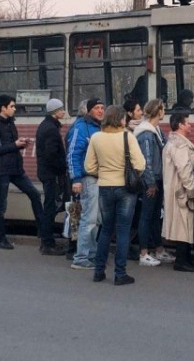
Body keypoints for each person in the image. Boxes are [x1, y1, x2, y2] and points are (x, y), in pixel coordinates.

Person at [85, 105, 146, 285]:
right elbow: (140, 165)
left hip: (104, 187)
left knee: (105, 229)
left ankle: (99, 271)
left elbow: (89, 167)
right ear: (121, 120)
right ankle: (120, 274)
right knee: (123, 230)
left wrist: (103, 174)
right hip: (125, 189)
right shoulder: (128, 137)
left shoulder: (96, 138)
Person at [0, 95, 45, 251]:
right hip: (2, 170)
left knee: (35, 194)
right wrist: (14, 145)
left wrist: (21, 143)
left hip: (16, 168)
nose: (14, 109)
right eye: (11, 106)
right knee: (1, 205)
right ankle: (1, 238)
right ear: (3, 108)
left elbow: (10, 145)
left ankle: (43, 231)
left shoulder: (10, 123)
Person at [162, 112, 194, 272]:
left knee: (184, 224)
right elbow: (184, 169)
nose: (190, 125)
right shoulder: (179, 145)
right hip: (181, 190)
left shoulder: (174, 141)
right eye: (188, 123)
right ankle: (181, 259)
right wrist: (191, 189)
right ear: (180, 125)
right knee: (183, 224)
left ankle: (186, 256)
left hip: (176, 188)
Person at [134, 98, 174, 266]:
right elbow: (146, 161)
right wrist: (151, 183)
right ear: (158, 111)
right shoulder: (148, 134)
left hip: (157, 179)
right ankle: (144, 253)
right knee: (147, 216)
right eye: (163, 109)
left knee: (155, 216)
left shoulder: (155, 130)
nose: (165, 112)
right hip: (152, 181)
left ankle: (158, 249)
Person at [67, 97, 105, 269]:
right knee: (89, 219)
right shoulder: (81, 127)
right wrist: (76, 179)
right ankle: (81, 257)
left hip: (98, 178)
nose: (100, 110)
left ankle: (91, 253)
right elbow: (73, 153)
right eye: (97, 107)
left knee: (95, 219)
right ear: (89, 110)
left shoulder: (99, 127)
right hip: (87, 178)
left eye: (102, 107)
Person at [36, 98, 69, 256]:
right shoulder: (50, 129)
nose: (63, 111)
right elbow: (51, 155)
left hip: (47, 172)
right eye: (61, 109)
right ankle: (47, 243)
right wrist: (62, 168)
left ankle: (46, 239)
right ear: (55, 112)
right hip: (51, 174)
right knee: (50, 207)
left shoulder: (47, 126)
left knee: (50, 205)